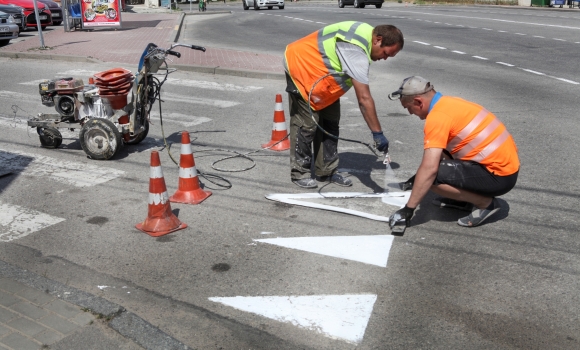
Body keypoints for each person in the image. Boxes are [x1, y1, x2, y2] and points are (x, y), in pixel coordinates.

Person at [284, 22, 404, 189]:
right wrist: (377, 133)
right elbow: (364, 98)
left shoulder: (367, 37)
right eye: (386, 53)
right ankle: (300, 172)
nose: (384, 58)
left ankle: (326, 171)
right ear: (378, 40)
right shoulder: (355, 50)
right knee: (307, 125)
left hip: (324, 79)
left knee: (330, 123)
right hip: (303, 67)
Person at [387, 76, 520, 228]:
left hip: (498, 176)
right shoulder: (449, 103)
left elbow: (430, 169)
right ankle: (464, 199)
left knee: (433, 177)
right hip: (505, 168)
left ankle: (486, 204)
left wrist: (408, 209)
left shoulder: (437, 117)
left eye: (409, 108)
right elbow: (443, 152)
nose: (411, 113)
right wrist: (416, 179)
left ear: (418, 102)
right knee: (438, 162)